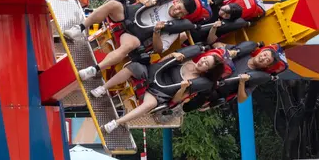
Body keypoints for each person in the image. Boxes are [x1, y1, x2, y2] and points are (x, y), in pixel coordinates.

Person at [64, 0, 198, 81]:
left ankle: (94, 69)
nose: (177, 12)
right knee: (113, 4)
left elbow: (159, 49)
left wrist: (157, 32)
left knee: (129, 45)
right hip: (127, 17)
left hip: (135, 36)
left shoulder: (175, 27)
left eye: (182, 13)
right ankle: (79, 28)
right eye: (179, 8)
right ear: (177, 2)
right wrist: (145, 1)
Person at [90, 45, 227, 133]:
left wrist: (182, 88)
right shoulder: (188, 60)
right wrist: (173, 55)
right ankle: (103, 88)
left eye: (206, 64)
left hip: (160, 91)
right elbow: (162, 63)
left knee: (150, 104)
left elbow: (176, 100)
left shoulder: (197, 82)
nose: (202, 62)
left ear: (208, 70)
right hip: (153, 73)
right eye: (204, 59)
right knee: (133, 68)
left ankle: (117, 122)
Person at [183, 42, 285, 112]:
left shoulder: (256, 76)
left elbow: (241, 99)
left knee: (191, 104)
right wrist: (228, 52)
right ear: (261, 52)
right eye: (264, 55)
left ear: (267, 66)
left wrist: (242, 82)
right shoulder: (244, 53)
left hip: (215, 89)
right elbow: (217, 44)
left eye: (267, 60)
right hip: (209, 71)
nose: (263, 58)